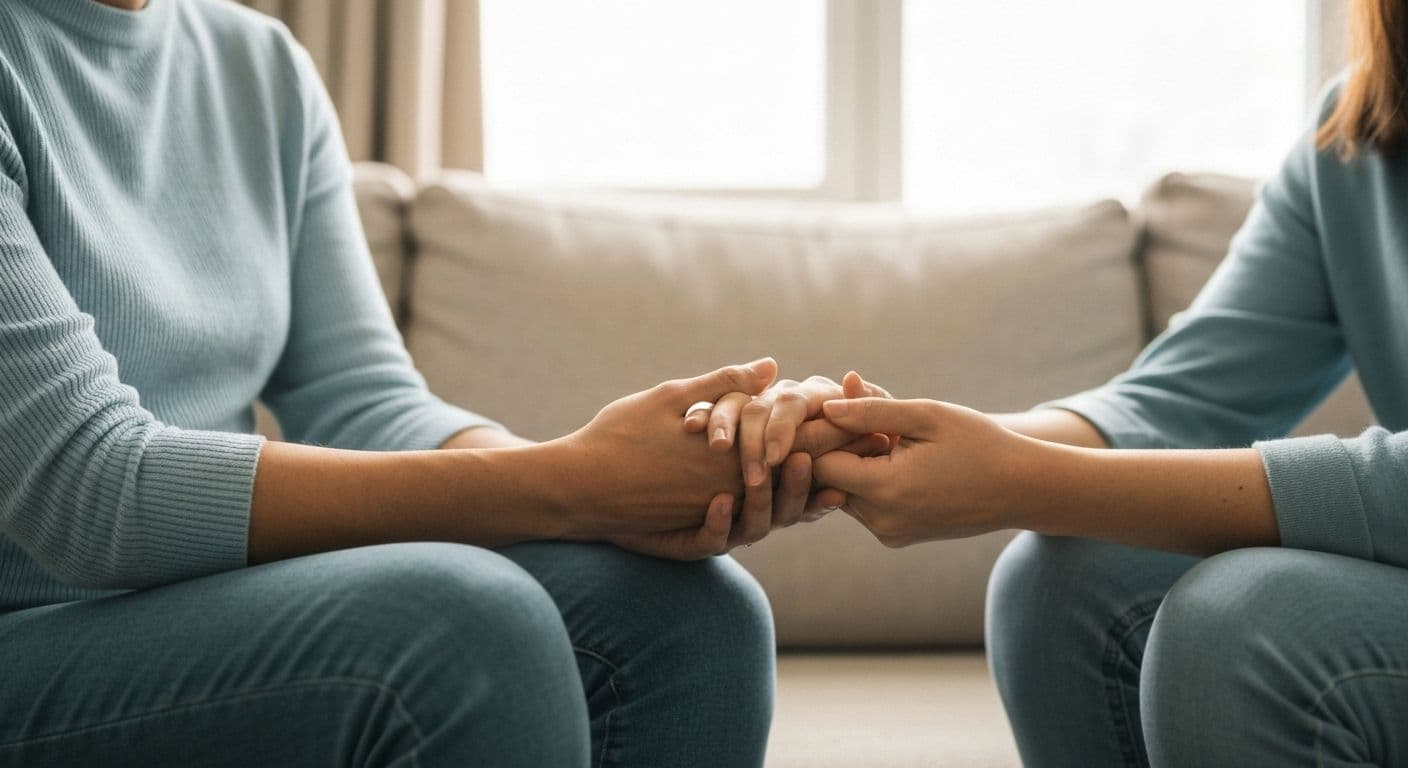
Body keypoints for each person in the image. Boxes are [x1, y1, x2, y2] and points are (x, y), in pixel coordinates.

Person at [0, 0, 873, 764]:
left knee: (690, 616)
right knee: (461, 628)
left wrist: (634, 482)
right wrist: (575, 483)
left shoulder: (256, 64)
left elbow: (361, 398)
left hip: (186, 611)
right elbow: (90, 489)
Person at [703, 2, 1408, 765]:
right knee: (1063, 576)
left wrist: (1025, 480)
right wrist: (879, 432)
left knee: (1253, 628)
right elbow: (1180, 399)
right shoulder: (1357, 135)